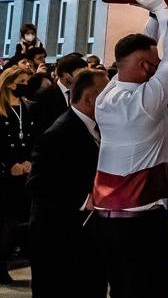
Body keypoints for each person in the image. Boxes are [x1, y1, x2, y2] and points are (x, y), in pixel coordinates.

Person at [91, 0, 168, 298]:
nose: (158, 66)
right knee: (149, 288)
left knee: (122, 288)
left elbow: (142, 51)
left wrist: (152, 17)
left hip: (106, 218)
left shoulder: (108, 95)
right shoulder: (144, 103)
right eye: (152, 62)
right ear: (146, 67)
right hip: (140, 220)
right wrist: (163, 8)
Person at [28, 68, 109, 298]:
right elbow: (38, 185)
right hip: (59, 240)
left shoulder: (99, 128)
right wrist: (86, 200)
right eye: (107, 94)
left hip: (87, 239)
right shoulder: (58, 133)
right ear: (90, 99)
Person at [0, 66, 40, 284]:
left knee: (16, 222)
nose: (25, 85)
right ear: (9, 82)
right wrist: (8, 165)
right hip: (5, 172)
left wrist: (29, 161)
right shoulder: (1, 108)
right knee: (8, 221)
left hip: (23, 172)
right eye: (21, 81)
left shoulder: (27, 107)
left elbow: (33, 138)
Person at [34, 52, 86, 125]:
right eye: (80, 74)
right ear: (66, 74)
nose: (84, 78)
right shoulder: (45, 96)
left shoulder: (85, 93)